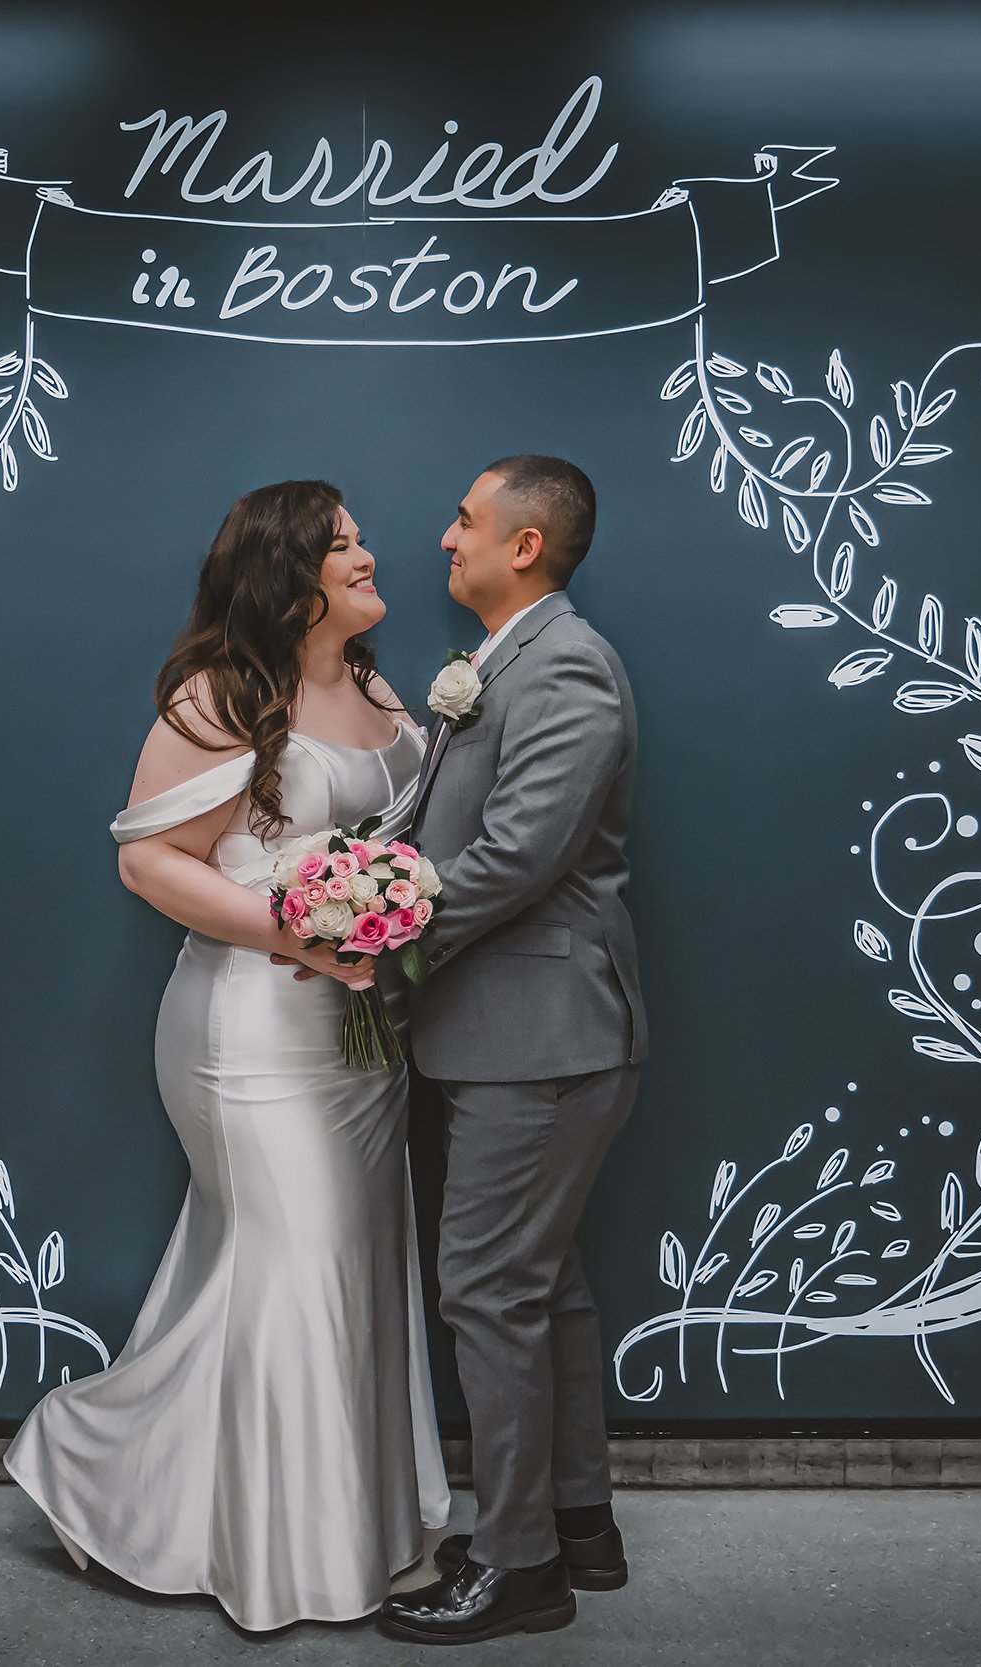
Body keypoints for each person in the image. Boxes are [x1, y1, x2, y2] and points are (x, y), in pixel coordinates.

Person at [1, 480, 451, 1632]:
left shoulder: (372, 684)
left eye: (358, 539)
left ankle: (342, 1524)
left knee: (339, 1270)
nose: (369, 554)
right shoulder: (218, 697)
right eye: (344, 543)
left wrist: (378, 919)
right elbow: (149, 863)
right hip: (249, 1028)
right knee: (297, 1269)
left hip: (361, 1038)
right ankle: (244, 1534)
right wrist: (299, 928)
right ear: (290, 570)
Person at [304, 455, 648, 1645]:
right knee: (541, 1284)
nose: (441, 538)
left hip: (539, 1032)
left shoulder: (567, 669)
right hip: (508, 1032)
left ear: (523, 548)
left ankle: (520, 1568)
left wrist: (372, 934)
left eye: (464, 521)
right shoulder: (496, 663)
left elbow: (514, 856)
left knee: (490, 1289)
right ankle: (576, 1521)